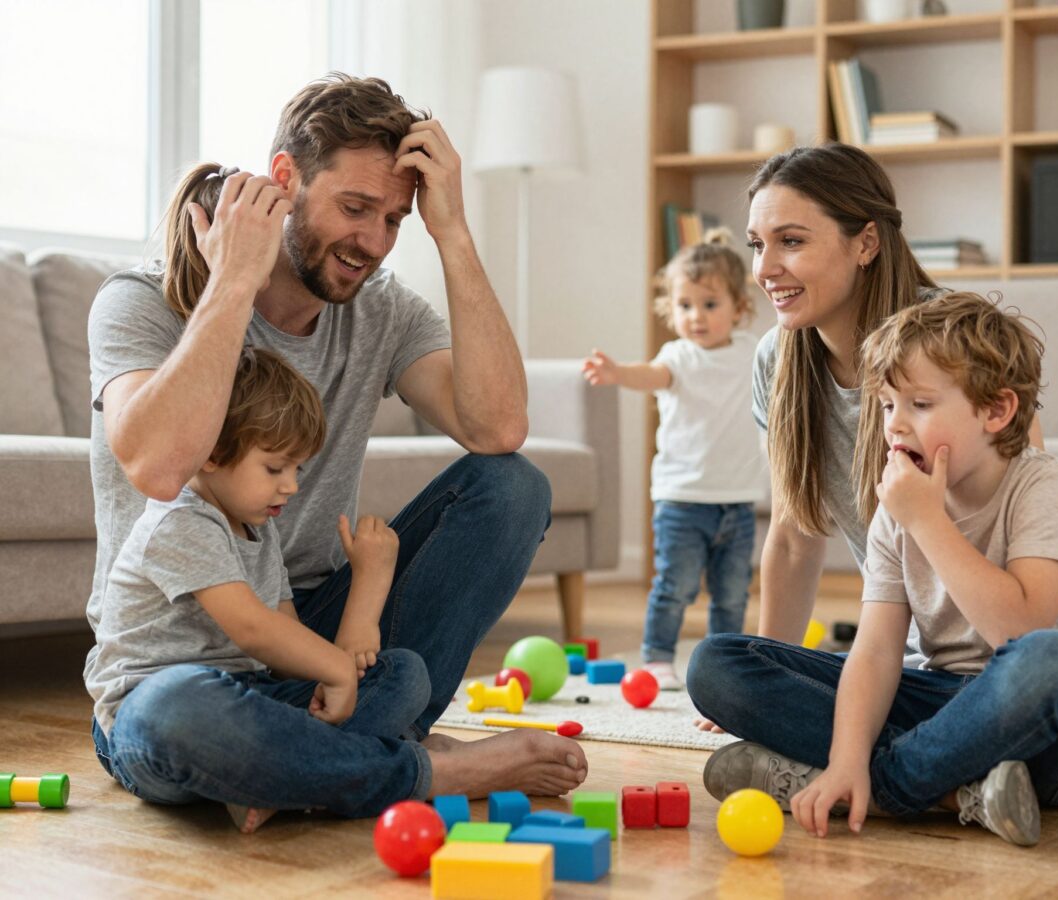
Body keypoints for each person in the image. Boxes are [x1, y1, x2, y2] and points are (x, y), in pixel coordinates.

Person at [85, 74, 587, 823]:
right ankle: (417, 768)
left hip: (310, 641)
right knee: (178, 716)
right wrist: (234, 282)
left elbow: (498, 429)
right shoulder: (141, 301)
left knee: (512, 486)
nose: (375, 244)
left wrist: (452, 232)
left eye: (394, 220)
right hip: (177, 665)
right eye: (355, 209)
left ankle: (306, 766)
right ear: (284, 180)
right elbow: (159, 467)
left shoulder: (382, 312)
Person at [691, 292, 1058, 846]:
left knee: (1056, 659)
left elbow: (1020, 632)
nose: (895, 427)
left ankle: (885, 791)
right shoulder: (898, 507)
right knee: (717, 662)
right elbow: (876, 651)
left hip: (1057, 732)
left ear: (997, 411)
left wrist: (928, 523)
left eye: (920, 405)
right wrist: (846, 756)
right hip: (942, 702)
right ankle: (954, 792)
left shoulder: (1046, 485)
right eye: (886, 405)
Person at [688, 142, 1042, 733]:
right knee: (718, 667)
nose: (764, 269)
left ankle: (895, 767)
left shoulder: (959, 339)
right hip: (904, 667)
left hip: (1007, 659)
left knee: (1048, 680)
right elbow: (794, 536)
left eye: (791, 241)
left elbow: (1028, 508)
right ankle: (943, 768)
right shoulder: (776, 360)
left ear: (866, 243)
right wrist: (771, 671)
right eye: (757, 245)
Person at [88, 344, 409, 831]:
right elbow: (253, 629)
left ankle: (278, 779)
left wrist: (356, 618)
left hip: (251, 700)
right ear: (213, 453)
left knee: (404, 675)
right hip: (152, 720)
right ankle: (366, 771)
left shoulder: (258, 527)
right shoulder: (179, 521)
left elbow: (284, 637)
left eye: (297, 469)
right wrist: (338, 670)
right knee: (178, 700)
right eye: (275, 468)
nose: (292, 487)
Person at [582, 229, 765, 690]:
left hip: (738, 500)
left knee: (731, 593)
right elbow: (652, 375)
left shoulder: (751, 352)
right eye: (684, 306)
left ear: (739, 308)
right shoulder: (677, 357)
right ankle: (658, 656)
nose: (695, 317)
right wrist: (619, 373)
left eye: (709, 304)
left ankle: (723, 659)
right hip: (682, 498)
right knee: (675, 587)